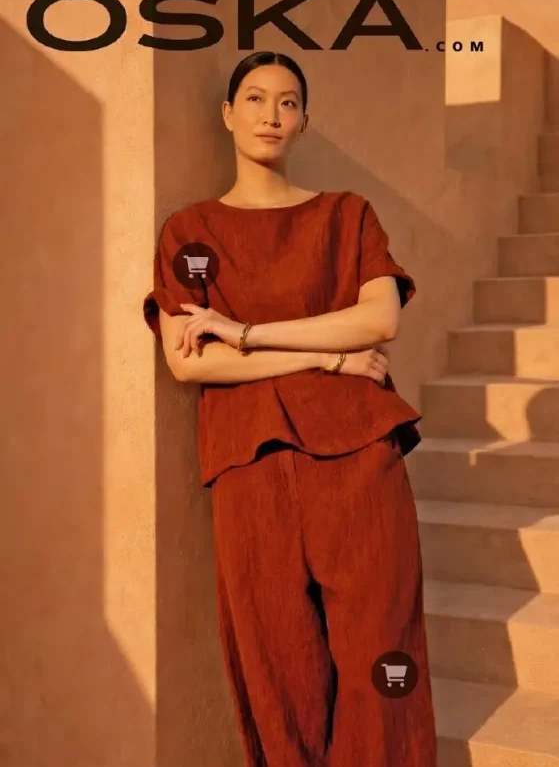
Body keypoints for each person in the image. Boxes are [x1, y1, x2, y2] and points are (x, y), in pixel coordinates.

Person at [143, 51, 437, 767]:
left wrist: (243, 333)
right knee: (277, 666)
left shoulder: (345, 215)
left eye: (285, 102)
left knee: (381, 657)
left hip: (359, 459)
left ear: (303, 120)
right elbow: (188, 360)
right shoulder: (191, 235)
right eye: (253, 98)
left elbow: (378, 322)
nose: (269, 114)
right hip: (248, 465)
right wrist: (325, 356)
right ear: (227, 114)